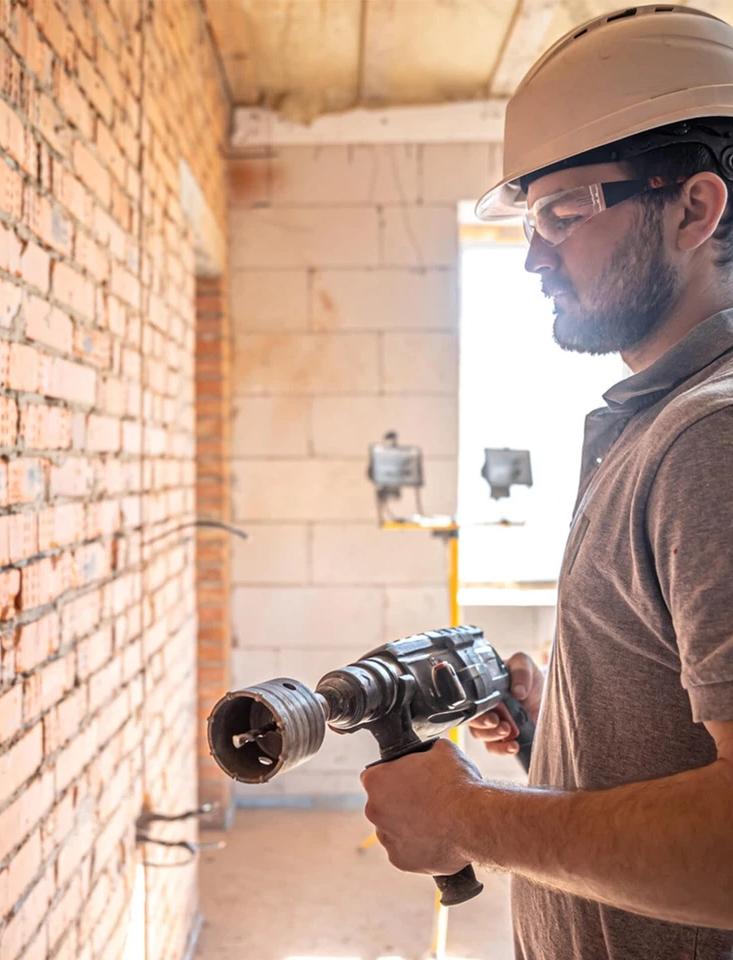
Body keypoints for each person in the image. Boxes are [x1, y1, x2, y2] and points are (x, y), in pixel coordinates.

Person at [359, 6, 733, 959]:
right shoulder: (655, 421)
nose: (532, 254)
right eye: (531, 219)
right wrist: (561, 729)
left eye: (565, 212)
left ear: (694, 208)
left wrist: (467, 817)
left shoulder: (711, 436)